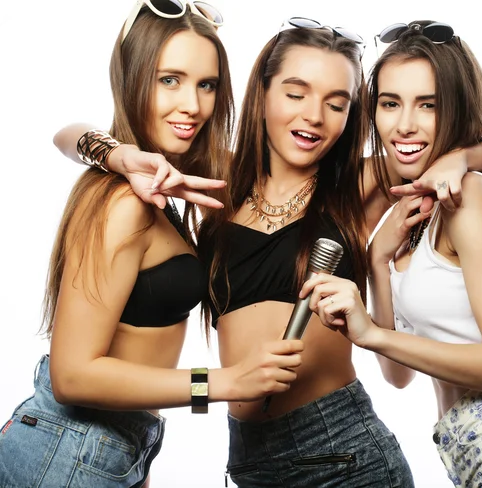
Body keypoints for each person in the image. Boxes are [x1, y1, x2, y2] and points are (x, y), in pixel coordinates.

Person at [52, 16, 482, 487]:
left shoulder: (358, 185)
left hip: (341, 452)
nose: (313, 116)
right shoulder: (217, 182)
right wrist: (114, 154)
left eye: (336, 102)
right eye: (295, 92)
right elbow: (66, 134)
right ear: (262, 92)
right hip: (248, 460)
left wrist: (466, 156)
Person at [0, 4, 304, 488]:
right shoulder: (125, 203)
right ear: (132, 77)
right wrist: (222, 383)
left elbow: (67, 135)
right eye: (170, 80)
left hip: (109, 446)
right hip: (68, 449)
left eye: (206, 85)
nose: (193, 105)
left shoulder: (168, 181)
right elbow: (72, 375)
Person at [300, 20, 482, 487]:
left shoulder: (469, 197)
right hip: (470, 456)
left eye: (428, 105)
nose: (404, 125)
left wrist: (468, 157)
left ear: (455, 109)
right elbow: (398, 375)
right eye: (390, 103)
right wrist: (378, 260)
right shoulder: (419, 215)